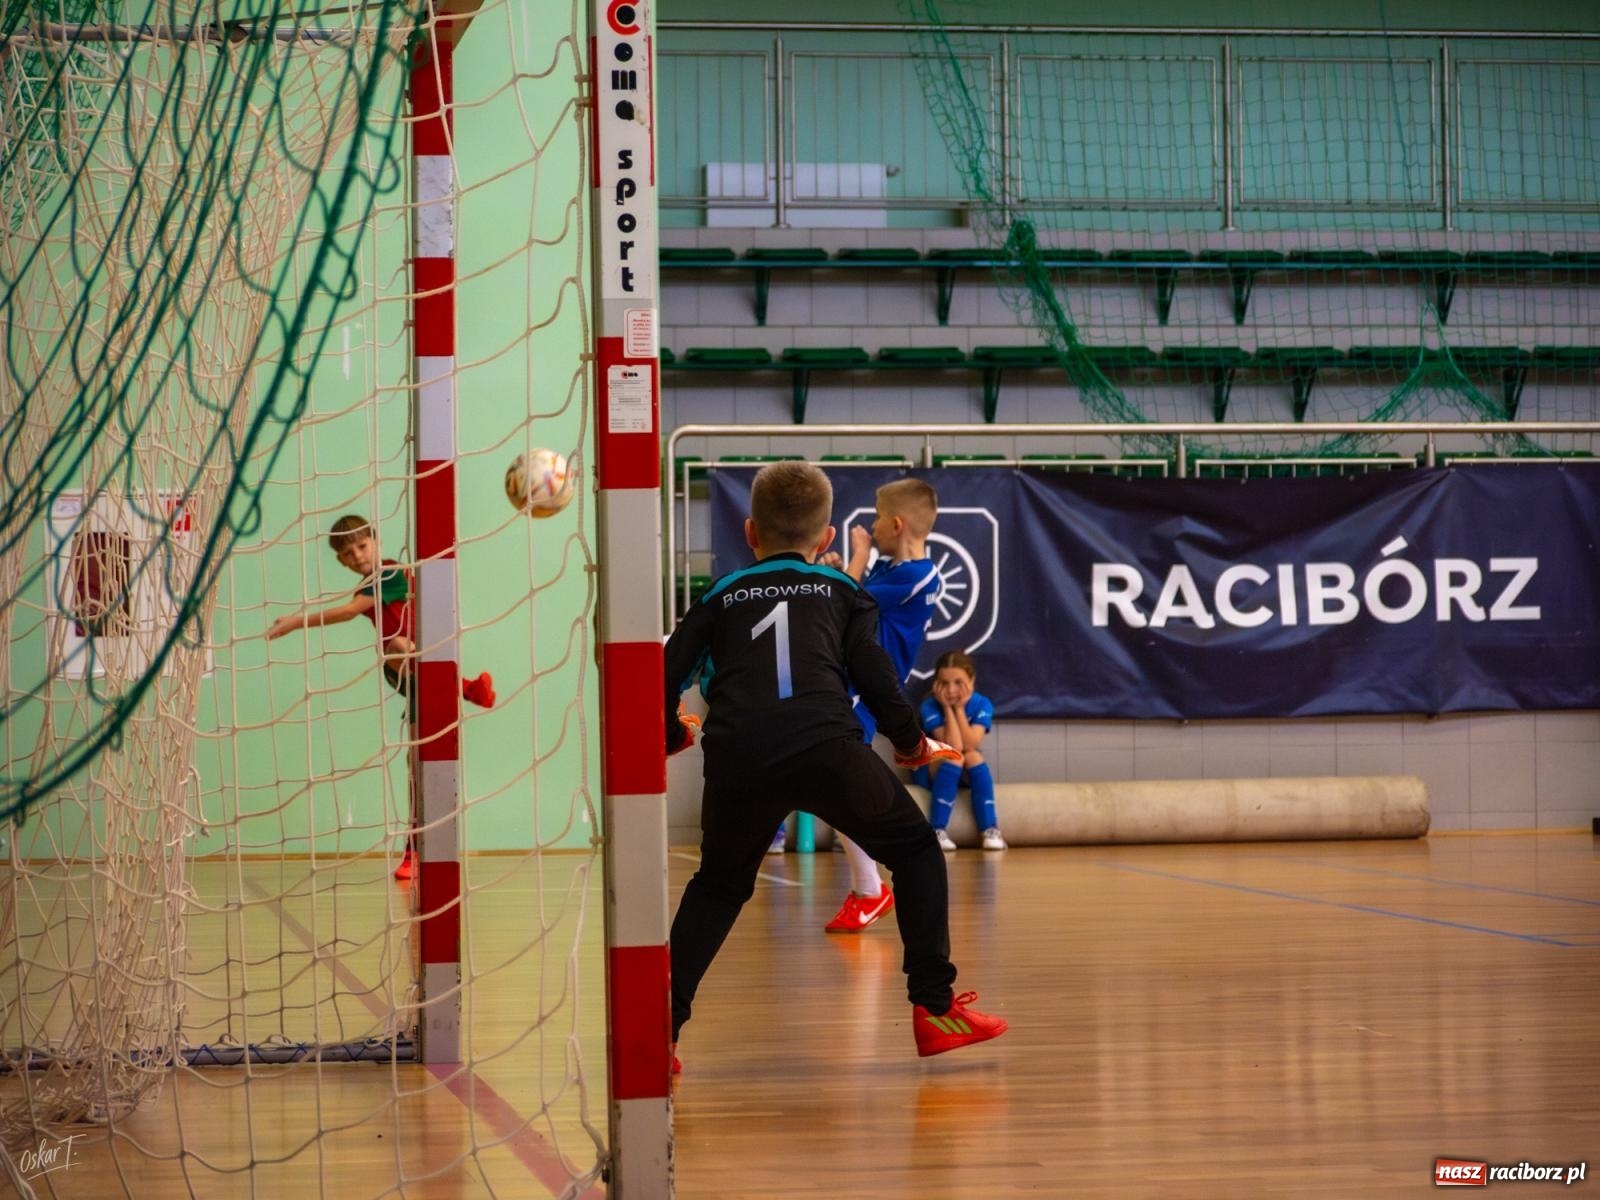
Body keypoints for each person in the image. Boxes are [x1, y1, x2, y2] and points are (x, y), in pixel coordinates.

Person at [665, 462, 1007, 1066]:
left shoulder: (719, 595)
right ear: (826, 538)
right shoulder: (843, 590)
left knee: (717, 888)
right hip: (826, 746)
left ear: (750, 533)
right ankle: (935, 1008)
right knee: (917, 851)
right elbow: (874, 673)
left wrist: (673, 733)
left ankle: (658, 1034)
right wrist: (910, 742)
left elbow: (663, 675)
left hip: (739, 754)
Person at [266, 515, 495, 879]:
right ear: (341, 561)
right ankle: (466, 688)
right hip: (403, 666)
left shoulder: (389, 572)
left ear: (376, 541)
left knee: (418, 768)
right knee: (398, 646)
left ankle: (412, 855)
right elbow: (355, 611)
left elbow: (350, 611)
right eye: (348, 553)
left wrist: (296, 622)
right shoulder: (372, 581)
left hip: (424, 667)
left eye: (361, 546)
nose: (357, 556)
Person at [810, 478, 943, 932]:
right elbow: (850, 595)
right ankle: (869, 889)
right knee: (832, 783)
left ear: (897, 524)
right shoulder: (893, 568)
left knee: (840, 783)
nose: (871, 526)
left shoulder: (916, 576)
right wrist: (843, 568)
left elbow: (844, 601)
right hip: (851, 686)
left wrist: (857, 556)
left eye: (877, 517)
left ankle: (872, 888)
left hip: (864, 692)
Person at [917, 651, 1006, 851]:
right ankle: (937, 830)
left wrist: (959, 709)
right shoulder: (929, 705)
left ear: (971, 681)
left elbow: (970, 744)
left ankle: (990, 830)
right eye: (944, 683)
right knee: (955, 757)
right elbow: (953, 746)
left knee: (974, 756)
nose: (951, 690)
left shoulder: (982, 703)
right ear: (936, 684)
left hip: (966, 769)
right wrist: (948, 708)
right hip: (933, 770)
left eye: (958, 682)